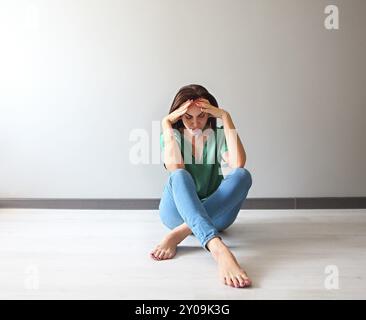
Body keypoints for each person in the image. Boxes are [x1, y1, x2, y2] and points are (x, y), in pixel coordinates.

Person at [151, 84, 253, 288]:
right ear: (179, 116)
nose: (195, 123)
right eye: (188, 117)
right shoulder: (172, 136)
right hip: (176, 213)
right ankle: (217, 248)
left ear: (210, 115)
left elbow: (238, 163)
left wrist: (225, 116)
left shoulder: (217, 135)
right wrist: (165, 123)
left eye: (202, 116)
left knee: (243, 175)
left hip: (215, 213)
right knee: (179, 175)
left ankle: (180, 233)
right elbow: (175, 167)